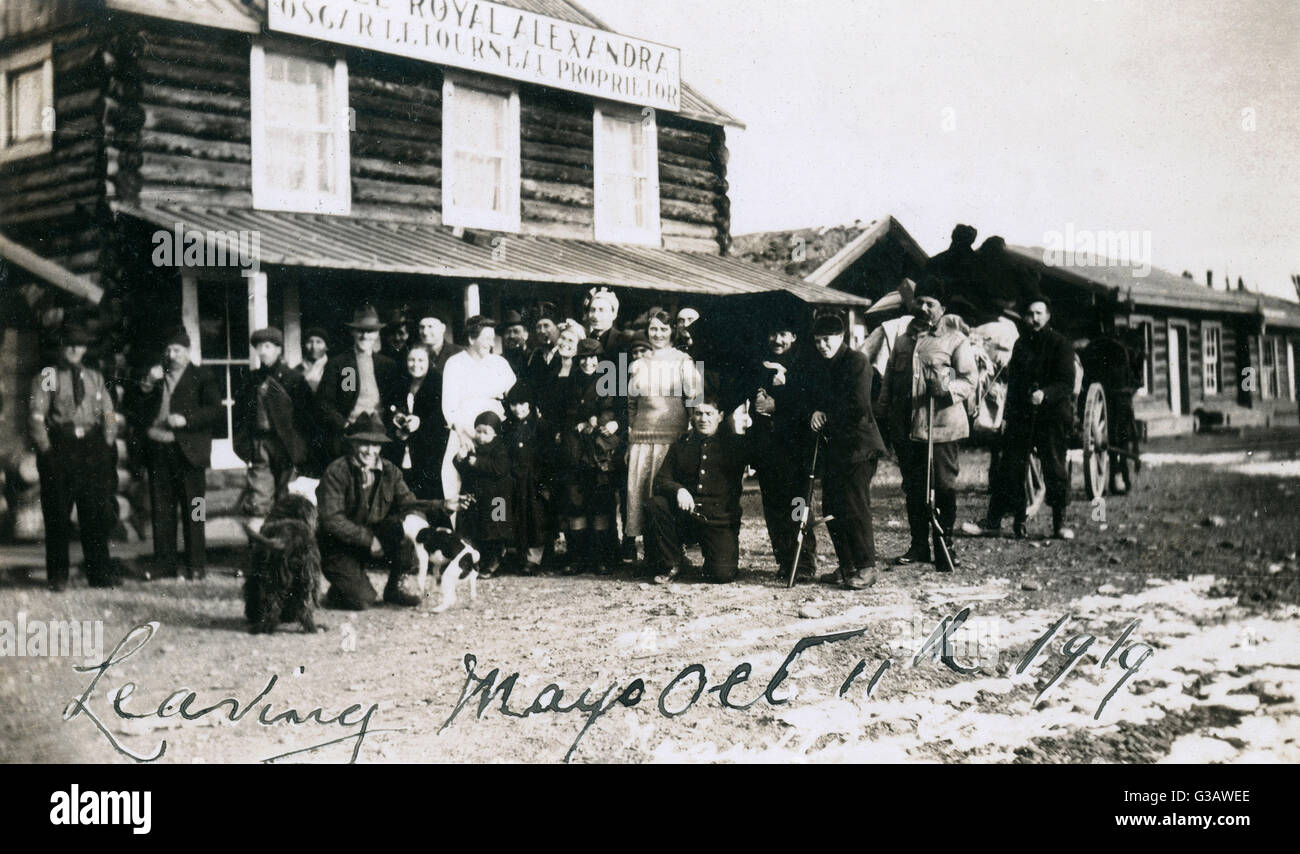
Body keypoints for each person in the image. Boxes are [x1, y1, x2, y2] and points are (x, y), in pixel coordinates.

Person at [877, 278, 977, 573]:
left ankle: (946, 544)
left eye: (930, 303)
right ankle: (919, 545)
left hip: (942, 428)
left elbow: (970, 380)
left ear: (942, 309)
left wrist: (947, 391)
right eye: (919, 301)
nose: (922, 307)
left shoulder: (955, 340)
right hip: (908, 429)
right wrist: (882, 415)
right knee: (915, 488)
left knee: (943, 487)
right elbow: (888, 383)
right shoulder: (903, 340)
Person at [967, 297, 1077, 539]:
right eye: (1030, 314)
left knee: (1055, 467)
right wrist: (1006, 416)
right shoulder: (1021, 345)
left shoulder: (1061, 344)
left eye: (1039, 313)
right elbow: (1014, 385)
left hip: (1052, 416)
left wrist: (1045, 394)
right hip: (1023, 415)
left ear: (1048, 316)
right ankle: (995, 522)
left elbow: (1066, 383)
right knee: (1009, 466)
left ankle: (1059, 524)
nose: (1034, 319)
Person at [29, 324, 118, 591]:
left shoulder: (95, 377)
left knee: (95, 513)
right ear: (60, 347)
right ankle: (58, 576)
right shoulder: (48, 376)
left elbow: (108, 412)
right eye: (68, 343)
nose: (74, 349)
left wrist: (108, 439)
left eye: (79, 344)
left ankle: (99, 575)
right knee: (57, 513)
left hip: (92, 448)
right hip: (61, 447)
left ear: (85, 349)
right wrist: (46, 450)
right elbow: (36, 416)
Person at [130, 327, 223, 580]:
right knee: (162, 509)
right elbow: (135, 407)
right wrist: (147, 383)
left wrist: (187, 419)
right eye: (169, 350)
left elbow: (216, 410)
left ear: (188, 351)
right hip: (159, 449)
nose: (172, 355)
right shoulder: (157, 375)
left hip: (189, 452)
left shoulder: (202, 376)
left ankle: (196, 565)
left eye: (177, 350)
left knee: (195, 508)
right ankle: (164, 564)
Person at [316, 413, 432, 610]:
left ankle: (395, 587)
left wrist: (418, 525)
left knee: (403, 528)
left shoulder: (390, 471)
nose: (370, 451)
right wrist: (369, 540)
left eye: (376, 444)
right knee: (362, 600)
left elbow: (410, 504)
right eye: (364, 443)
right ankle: (338, 590)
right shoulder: (336, 472)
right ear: (353, 444)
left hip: (375, 540)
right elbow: (332, 520)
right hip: (340, 546)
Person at [808, 313, 886, 590]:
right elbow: (815, 398)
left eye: (826, 340)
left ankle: (867, 567)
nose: (822, 345)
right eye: (817, 341)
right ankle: (847, 565)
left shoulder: (856, 362)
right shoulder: (821, 364)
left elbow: (858, 406)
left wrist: (825, 413)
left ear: (840, 337)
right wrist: (816, 410)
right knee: (832, 507)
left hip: (859, 447)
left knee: (854, 506)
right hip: (836, 448)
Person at [647, 394, 752, 585]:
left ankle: (716, 557)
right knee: (657, 504)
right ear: (692, 417)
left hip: (719, 520)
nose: (703, 419)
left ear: (720, 416)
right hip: (687, 516)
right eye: (698, 414)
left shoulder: (735, 444)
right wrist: (679, 490)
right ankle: (673, 562)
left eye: (709, 414)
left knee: (722, 575)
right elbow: (661, 479)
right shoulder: (682, 442)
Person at [625, 308, 702, 563]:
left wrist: (691, 431)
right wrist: (631, 435)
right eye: (653, 329)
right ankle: (650, 557)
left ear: (672, 331)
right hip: (642, 441)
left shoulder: (683, 361)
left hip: (671, 440)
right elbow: (631, 404)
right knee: (642, 497)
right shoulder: (637, 364)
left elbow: (694, 398)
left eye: (663, 329)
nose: (657, 334)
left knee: (666, 497)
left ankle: (674, 553)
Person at [747, 312, 819, 583]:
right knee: (774, 507)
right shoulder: (761, 364)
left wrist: (779, 402)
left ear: (794, 336)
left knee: (798, 504)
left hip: (797, 449)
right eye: (773, 334)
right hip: (768, 448)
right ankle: (784, 560)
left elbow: (810, 405)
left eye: (783, 335)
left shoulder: (805, 364)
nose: (777, 340)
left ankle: (804, 561)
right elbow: (754, 401)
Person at [233, 326, 313, 522]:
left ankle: (286, 545)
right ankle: (261, 547)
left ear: (279, 349)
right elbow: (239, 415)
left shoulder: (294, 379)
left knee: (286, 499)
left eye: (268, 346)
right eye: (259, 347)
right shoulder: (250, 379)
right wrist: (243, 446)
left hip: (287, 446)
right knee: (259, 500)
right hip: (260, 444)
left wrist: (300, 449)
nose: (263, 351)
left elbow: (307, 418)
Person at [554, 338, 618, 574]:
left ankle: (601, 558)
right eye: (583, 358)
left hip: (599, 452)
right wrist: (580, 421)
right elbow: (563, 413)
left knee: (600, 503)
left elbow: (611, 410)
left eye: (593, 358)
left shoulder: (607, 380)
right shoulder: (569, 382)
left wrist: (598, 421)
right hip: (574, 450)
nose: (588, 362)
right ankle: (576, 557)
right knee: (575, 502)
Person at [441, 315, 516, 506]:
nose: (490, 344)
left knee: (495, 480)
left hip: (494, 431)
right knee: (456, 478)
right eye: (486, 338)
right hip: (463, 430)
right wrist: (463, 434)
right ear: (471, 339)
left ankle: (496, 528)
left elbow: (515, 394)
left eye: (492, 339)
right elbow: (449, 405)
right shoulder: (455, 363)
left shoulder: (499, 363)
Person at [317, 304, 400, 459]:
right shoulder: (341, 364)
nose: (365, 336)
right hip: (349, 436)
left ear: (377, 333)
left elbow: (395, 400)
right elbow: (324, 403)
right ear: (353, 332)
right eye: (361, 331)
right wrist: (345, 425)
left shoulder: (387, 365)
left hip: (380, 437)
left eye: (370, 331)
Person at [452, 410, 515, 577]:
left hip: (497, 498)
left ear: (495, 434)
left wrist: (478, 462)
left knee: (496, 530)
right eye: (478, 431)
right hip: (477, 496)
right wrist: (460, 458)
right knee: (474, 529)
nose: (481, 436)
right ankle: (472, 563)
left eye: (485, 432)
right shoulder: (473, 447)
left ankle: (493, 562)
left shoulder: (500, 448)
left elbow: (500, 469)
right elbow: (463, 469)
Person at [383, 344, 447, 500]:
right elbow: (389, 409)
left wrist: (420, 422)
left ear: (429, 362)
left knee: (427, 492)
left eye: (420, 360)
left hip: (429, 448)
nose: (415, 364)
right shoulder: (402, 381)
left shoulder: (438, 382)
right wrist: (397, 423)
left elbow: (442, 415)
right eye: (411, 360)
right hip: (403, 445)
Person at [501, 383, 547, 574]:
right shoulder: (506, 426)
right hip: (513, 479)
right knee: (513, 516)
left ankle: (533, 558)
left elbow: (546, 454)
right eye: (513, 404)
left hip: (532, 478)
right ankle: (515, 555)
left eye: (522, 404)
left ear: (529, 404)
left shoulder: (539, 425)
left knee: (535, 518)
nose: (518, 409)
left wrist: (542, 480)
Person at [297, 326, 330, 394]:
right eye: (310, 342)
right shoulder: (297, 369)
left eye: (319, 342)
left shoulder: (333, 367)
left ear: (326, 347)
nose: (314, 347)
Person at [501, 310, 530, 376]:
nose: (511, 336)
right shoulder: (500, 361)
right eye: (508, 332)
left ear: (526, 335)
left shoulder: (533, 358)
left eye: (516, 331)